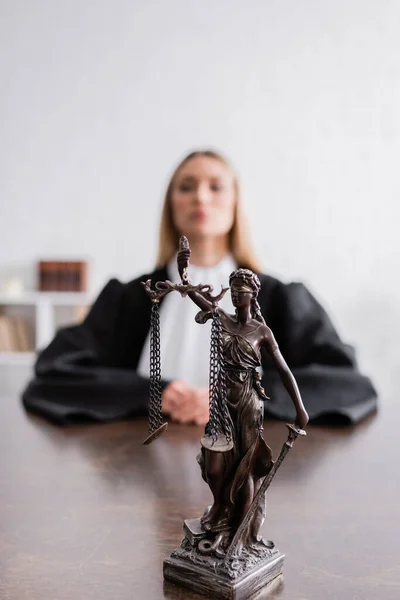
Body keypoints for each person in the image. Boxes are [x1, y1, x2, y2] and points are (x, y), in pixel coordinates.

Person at [22, 150, 377, 425]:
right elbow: (52, 377)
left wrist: (237, 398)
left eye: (216, 186)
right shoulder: (128, 299)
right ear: (170, 205)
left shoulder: (284, 300)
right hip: (137, 473)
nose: (201, 198)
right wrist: (152, 394)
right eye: (186, 186)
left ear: (235, 204)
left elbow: (348, 385)